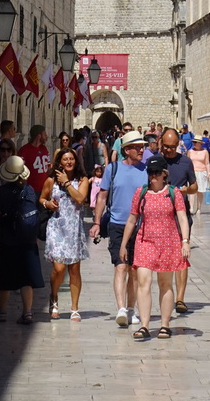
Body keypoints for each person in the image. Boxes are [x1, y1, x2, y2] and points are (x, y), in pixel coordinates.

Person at [120, 154, 190, 340]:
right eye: (150, 172)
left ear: (164, 174)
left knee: (165, 284)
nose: (153, 176)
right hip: (145, 241)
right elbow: (132, 219)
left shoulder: (173, 193)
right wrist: (124, 244)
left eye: (156, 173)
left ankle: (165, 325)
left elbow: (182, 218)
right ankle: (144, 325)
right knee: (143, 281)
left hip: (168, 242)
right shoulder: (141, 193)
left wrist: (185, 242)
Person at [89, 129, 148, 327]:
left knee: (134, 270)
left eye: (142, 147)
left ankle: (131, 308)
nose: (142, 150)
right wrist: (97, 223)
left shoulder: (147, 170)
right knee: (121, 266)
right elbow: (102, 197)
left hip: (140, 227)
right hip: (117, 224)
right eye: (138, 147)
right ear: (127, 149)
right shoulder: (112, 169)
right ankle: (121, 308)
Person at [0, 155, 44, 324]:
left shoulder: (2, 192)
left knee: (5, 277)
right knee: (26, 277)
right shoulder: (28, 190)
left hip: (6, 238)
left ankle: (2, 312)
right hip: (27, 238)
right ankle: (27, 312)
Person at [40, 148, 89, 320]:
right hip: (56, 227)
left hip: (73, 228)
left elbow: (80, 198)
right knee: (59, 269)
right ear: (59, 162)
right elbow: (42, 198)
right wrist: (48, 204)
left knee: (74, 270)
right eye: (65, 159)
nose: (68, 162)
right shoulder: (51, 180)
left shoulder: (83, 180)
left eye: (71, 159)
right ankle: (54, 297)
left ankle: (74, 307)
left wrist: (67, 183)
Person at [160, 128, 196, 314]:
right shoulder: (155, 162)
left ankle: (180, 298)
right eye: (166, 146)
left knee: (182, 254)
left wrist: (185, 191)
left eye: (172, 147)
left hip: (181, 214)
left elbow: (194, 186)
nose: (169, 150)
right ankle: (166, 294)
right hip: (159, 216)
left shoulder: (186, 162)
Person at [18, 125, 51, 197]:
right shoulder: (24, 150)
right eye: (44, 134)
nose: (46, 136)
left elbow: (48, 167)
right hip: (31, 190)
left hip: (44, 189)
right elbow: (20, 170)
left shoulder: (44, 149)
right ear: (39, 136)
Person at [187, 136, 210, 215]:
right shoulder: (190, 151)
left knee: (200, 191)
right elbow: (187, 163)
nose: (194, 144)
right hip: (192, 172)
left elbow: (207, 163)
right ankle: (191, 208)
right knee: (192, 190)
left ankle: (199, 208)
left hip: (202, 172)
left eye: (195, 142)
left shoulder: (205, 152)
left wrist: (208, 173)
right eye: (193, 142)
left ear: (200, 143)